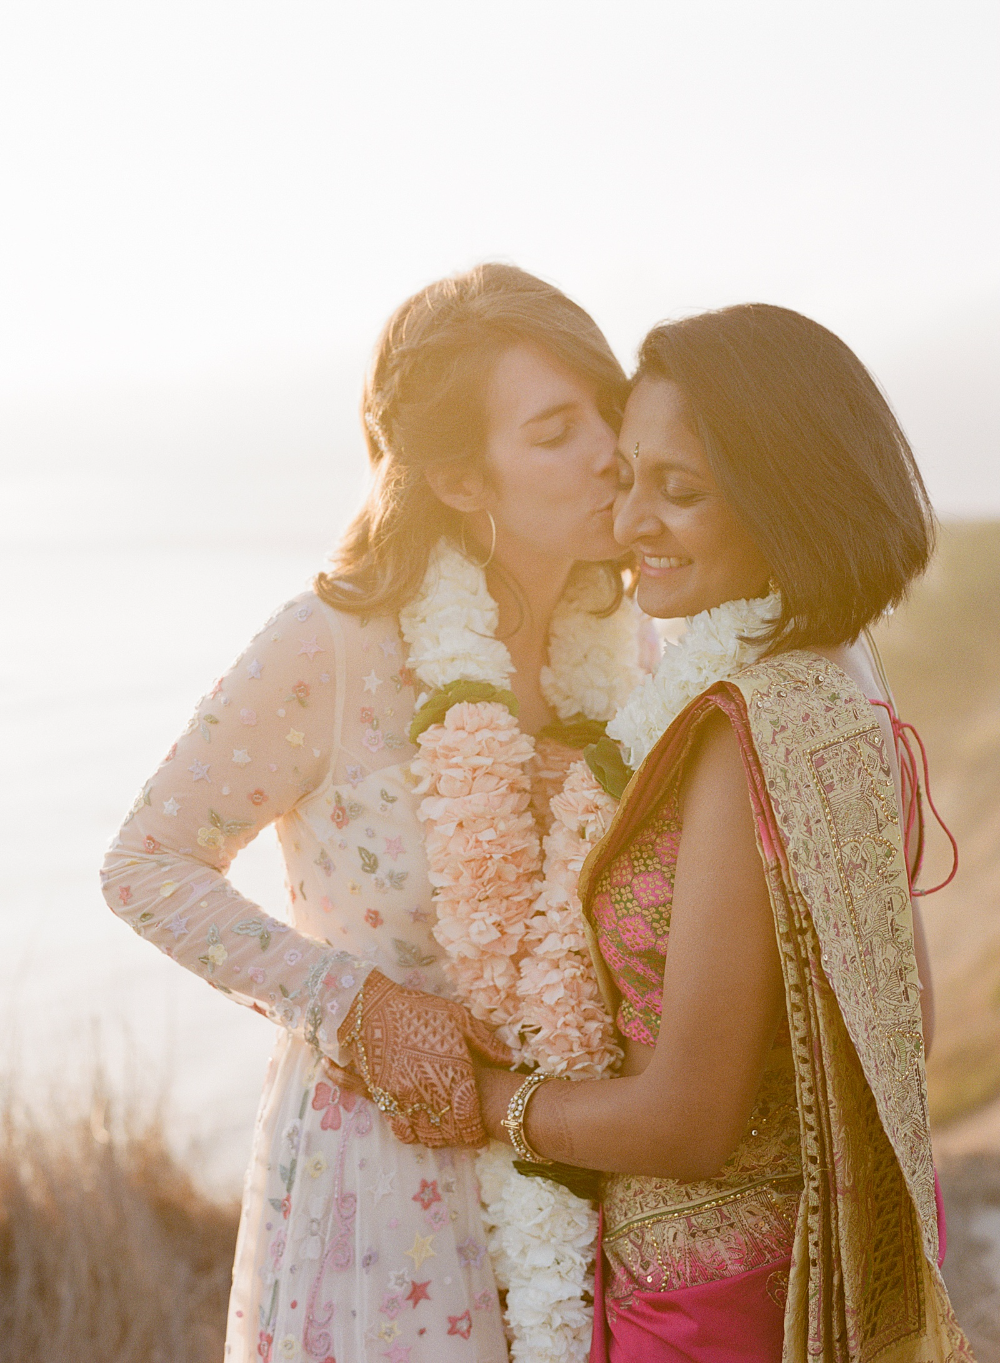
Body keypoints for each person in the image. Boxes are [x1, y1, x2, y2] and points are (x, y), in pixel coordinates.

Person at [100, 262, 648, 1363]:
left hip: (585, 1159)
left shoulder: (629, 654)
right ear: (457, 476)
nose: (609, 451)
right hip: (389, 1181)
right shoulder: (336, 642)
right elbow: (146, 863)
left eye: (609, 410)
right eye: (554, 429)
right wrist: (355, 1004)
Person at [472, 305, 972, 1360]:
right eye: (631, 478)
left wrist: (485, 1102)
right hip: (802, 1270)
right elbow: (906, 1020)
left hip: (712, 1315)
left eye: (681, 491)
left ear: (787, 502)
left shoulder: (749, 727)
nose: (629, 523)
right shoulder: (838, 682)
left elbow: (684, 1120)